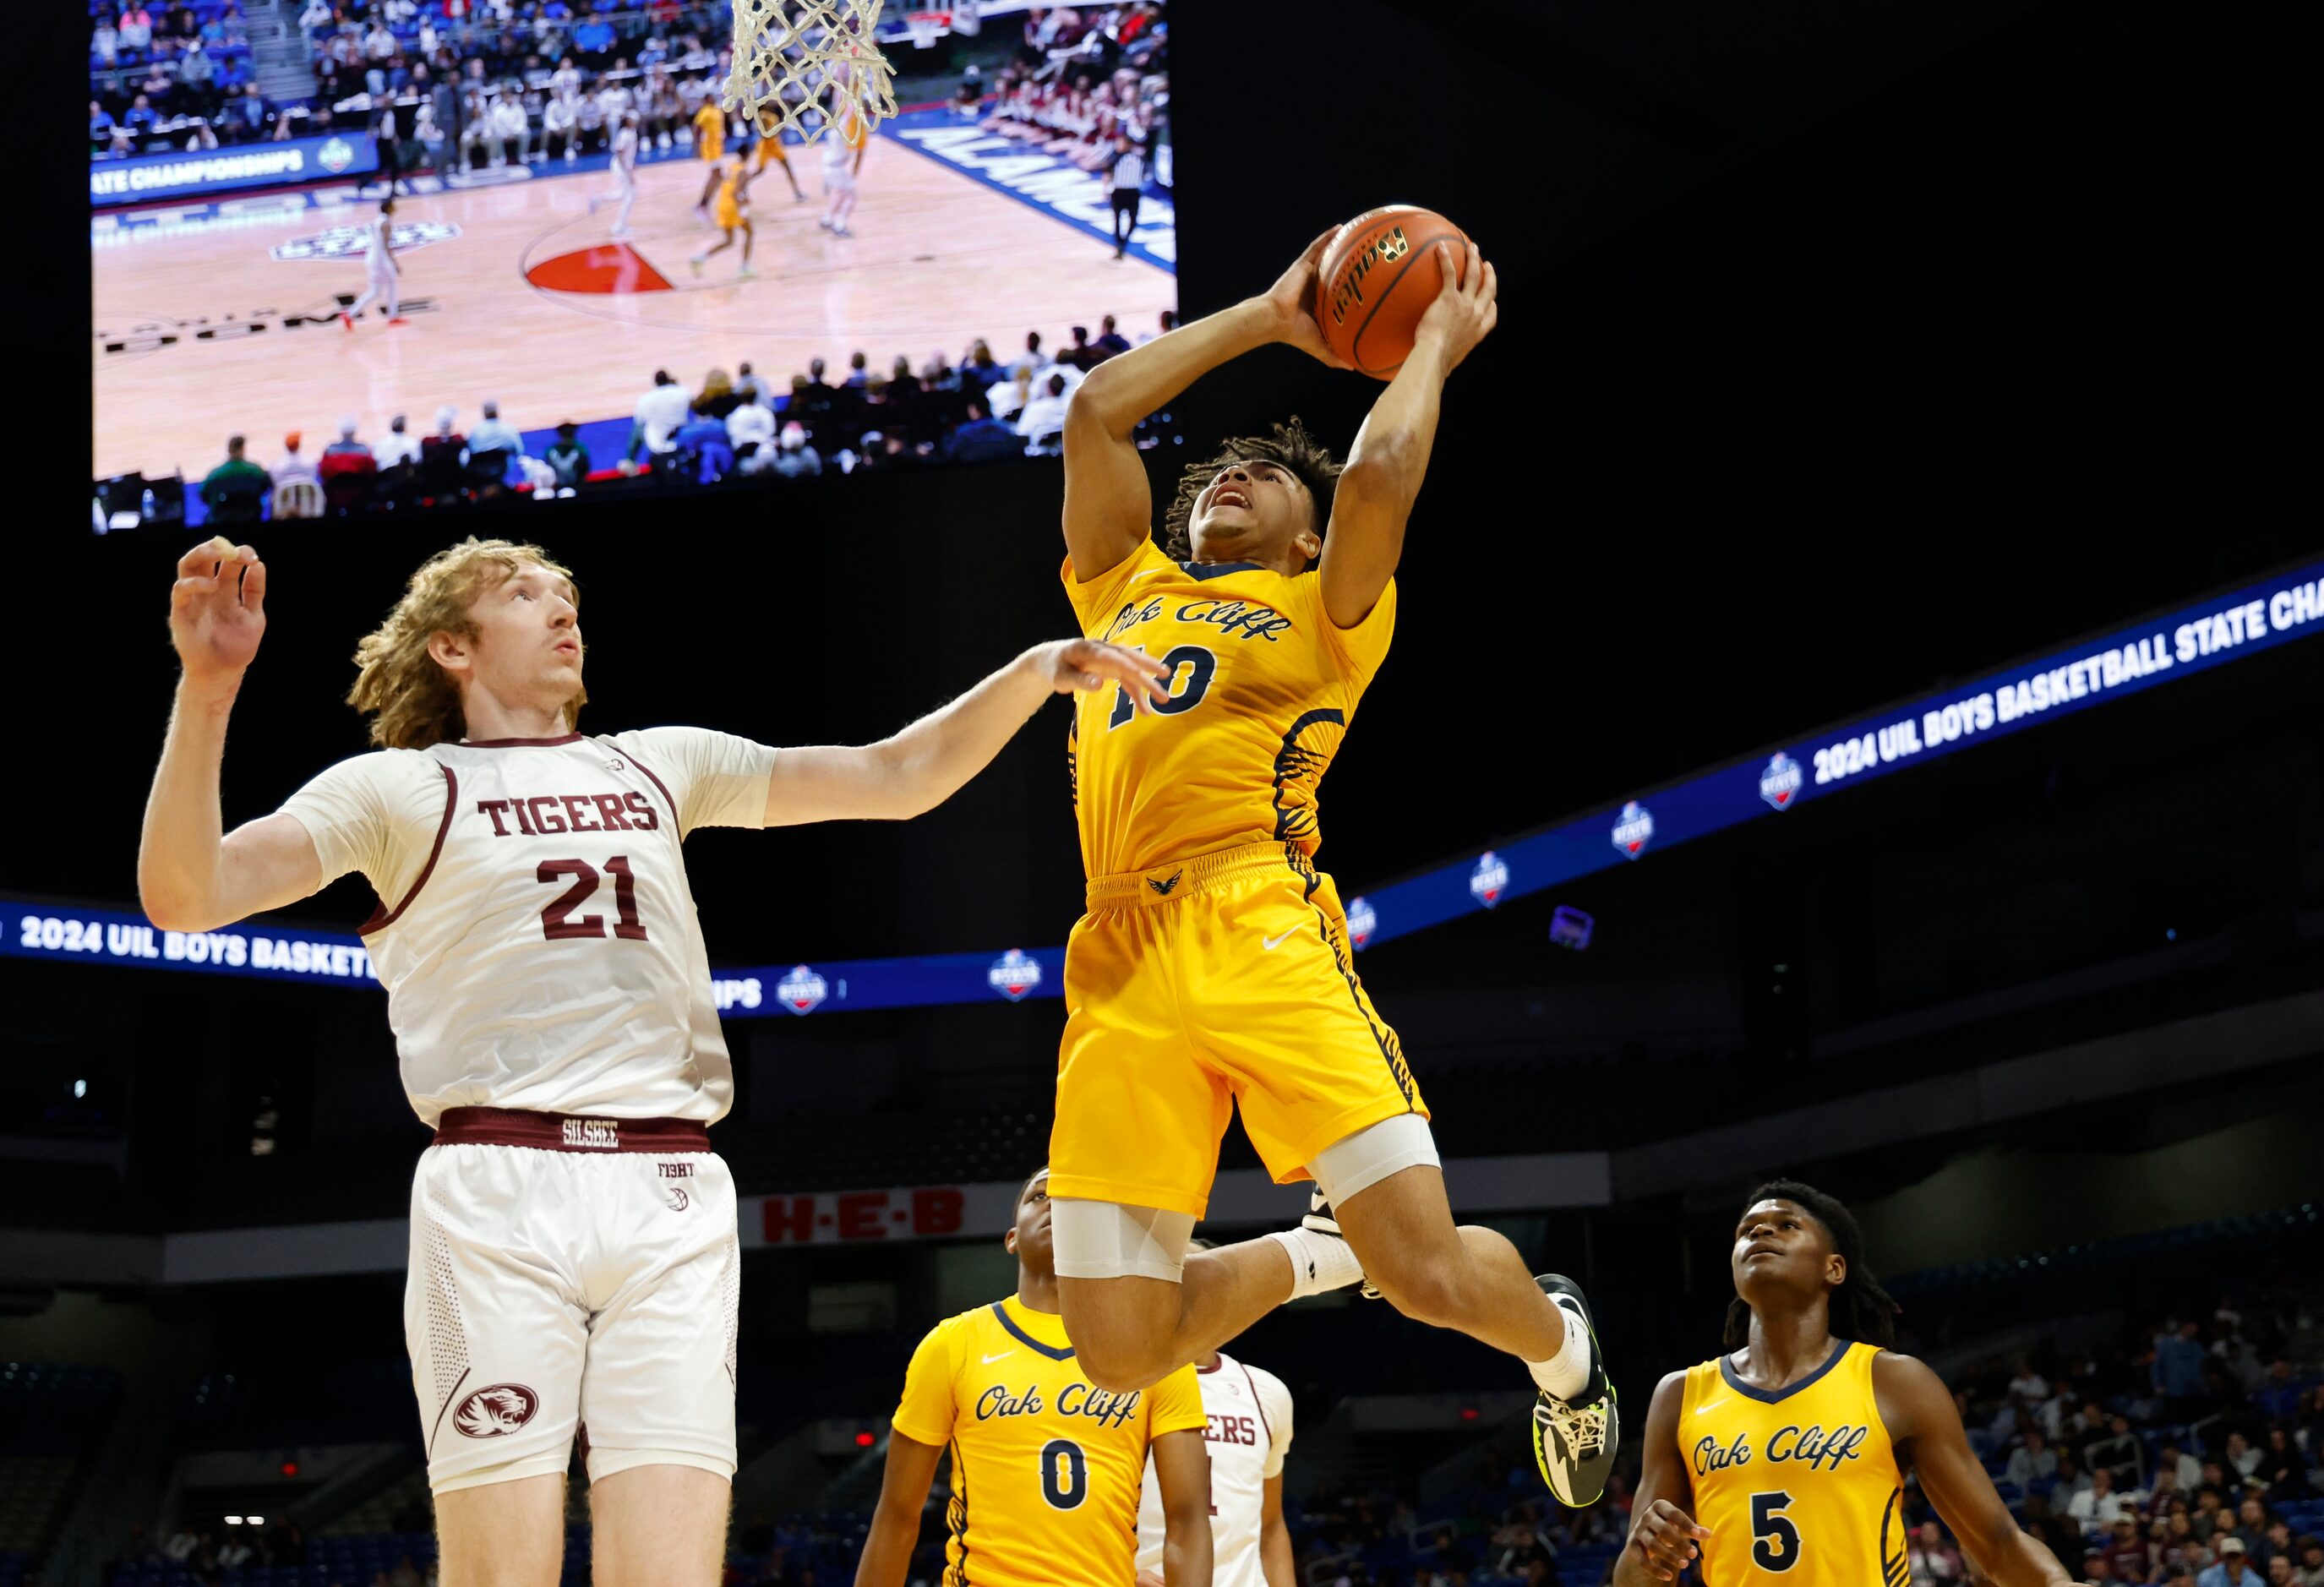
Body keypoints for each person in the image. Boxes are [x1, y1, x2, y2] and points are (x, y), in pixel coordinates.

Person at [139, 538, 1168, 1587]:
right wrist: (210, 687)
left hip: (672, 1188)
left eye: (567, 593)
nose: (561, 609)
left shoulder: (656, 761)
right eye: (525, 594)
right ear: (451, 646)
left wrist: (1035, 671)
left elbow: (895, 777)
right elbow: (185, 896)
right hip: (498, 1183)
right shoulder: (395, 789)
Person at [1046, 228, 1614, 1505]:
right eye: (1223, 467)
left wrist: (1426, 347)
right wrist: (1264, 313)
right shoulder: (1124, 588)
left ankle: (1565, 1352)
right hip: (1118, 957)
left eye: (1265, 473)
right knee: (1118, 1349)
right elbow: (1093, 412)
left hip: (1258, 915)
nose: (1236, 470)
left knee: (1423, 1270)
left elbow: (1376, 480)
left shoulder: (1324, 613)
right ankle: (1315, 1256)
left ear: (1305, 540)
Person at [1618, 1182, 2074, 1585]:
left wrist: (2056, 1583)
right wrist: (1643, 1552)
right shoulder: (1680, 1395)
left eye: (1786, 1225)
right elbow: (1637, 1581)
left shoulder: (1895, 1382)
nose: (1760, 1232)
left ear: (1833, 1269)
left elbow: (1998, 1543)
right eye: (1746, 1230)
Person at [854, 1168, 1214, 1587]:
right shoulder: (953, 1343)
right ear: (1012, 1238)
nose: (1057, 1205)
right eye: (1040, 1197)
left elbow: (1188, 1522)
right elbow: (897, 1515)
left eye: (1078, 1199)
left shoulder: (1156, 1354)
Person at [1132, 1241, 1296, 1587]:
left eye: (1196, 1273)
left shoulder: (1267, 1391)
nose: (1184, 1284)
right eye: (1173, 1273)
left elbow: (1270, 1526)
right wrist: (1125, 1574)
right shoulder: (1122, 1385)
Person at [340, 197, 406, 330]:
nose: (396, 208)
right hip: (380, 260)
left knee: (375, 291)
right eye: (393, 206)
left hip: (372, 257)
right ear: (389, 208)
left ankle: (350, 313)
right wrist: (395, 263)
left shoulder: (379, 219)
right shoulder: (386, 223)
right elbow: (386, 246)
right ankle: (393, 317)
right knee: (389, 287)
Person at [689, 153, 755, 280]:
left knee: (729, 241)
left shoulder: (733, 167)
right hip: (733, 207)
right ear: (748, 155)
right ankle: (744, 268)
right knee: (750, 233)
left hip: (723, 206)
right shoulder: (742, 171)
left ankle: (699, 258)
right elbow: (736, 192)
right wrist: (744, 203)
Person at [816, 84, 865, 238]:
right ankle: (840, 225)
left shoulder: (832, 128)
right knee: (851, 197)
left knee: (839, 195)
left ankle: (827, 219)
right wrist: (852, 95)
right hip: (836, 168)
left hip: (830, 166)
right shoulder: (841, 126)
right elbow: (850, 110)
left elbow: (842, 107)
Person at [590, 111, 641, 237]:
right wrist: (628, 173)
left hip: (625, 166)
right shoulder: (624, 135)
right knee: (630, 196)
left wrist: (632, 163)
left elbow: (629, 153)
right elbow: (619, 155)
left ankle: (598, 200)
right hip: (620, 167)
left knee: (623, 194)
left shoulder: (632, 132)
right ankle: (619, 225)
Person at [200, 434, 270, 524]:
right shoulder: (256, 471)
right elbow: (265, 488)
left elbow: (203, 495)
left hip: (222, 524)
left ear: (229, 451)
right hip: (251, 521)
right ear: (243, 449)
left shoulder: (214, 475)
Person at [1103, 131, 1144, 258]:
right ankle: (1120, 245)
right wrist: (1105, 190)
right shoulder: (1114, 157)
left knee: (1133, 221)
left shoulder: (1138, 157)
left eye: (1121, 142)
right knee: (1117, 220)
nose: (1118, 145)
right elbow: (1107, 174)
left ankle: (1123, 241)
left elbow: (1145, 171)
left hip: (1133, 192)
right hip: (1119, 192)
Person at [690, 96, 727, 218]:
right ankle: (702, 204)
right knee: (716, 175)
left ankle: (705, 203)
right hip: (710, 149)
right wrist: (696, 148)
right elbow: (696, 129)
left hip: (718, 147)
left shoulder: (717, 110)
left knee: (719, 176)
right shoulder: (704, 112)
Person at [1014, 371, 1072, 447]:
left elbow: (1021, 434)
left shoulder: (1034, 408)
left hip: (1035, 456)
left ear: (1048, 388)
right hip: (1061, 455)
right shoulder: (1069, 410)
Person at [544, 423, 590, 489]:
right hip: (558, 487)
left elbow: (584, 470)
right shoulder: (552, 451)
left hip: (577, 486)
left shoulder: (580, 449)